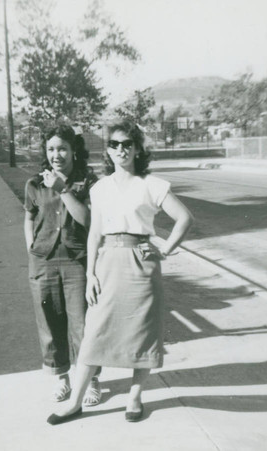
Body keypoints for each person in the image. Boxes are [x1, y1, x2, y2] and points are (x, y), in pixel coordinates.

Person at [47, 120, 193, 425]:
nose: (121, 149)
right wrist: (90, 275)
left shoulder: (152, 185)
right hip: (108, 263)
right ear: (108, 150)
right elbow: (94, 234)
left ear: (138, 148)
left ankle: (135, 397)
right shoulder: (101, 188)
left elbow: (184, 218)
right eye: (114, 144)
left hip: (141, 263)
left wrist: (166, 248)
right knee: (94, 333)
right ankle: (75, 402)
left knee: (142, 334)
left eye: (127, 143)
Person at [24, 124, 101, 406]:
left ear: (74, 151)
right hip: (43, 261)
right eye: (51, 149)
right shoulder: (34, 183)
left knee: (83, 326)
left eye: (62, 148)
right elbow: (30, 217)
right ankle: (62, 379)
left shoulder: (89, 182)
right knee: (50, 324)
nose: (56, 155)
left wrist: (64, 189)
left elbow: (88, 220)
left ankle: (91, 380)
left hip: (77, 262)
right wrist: (31, 248)